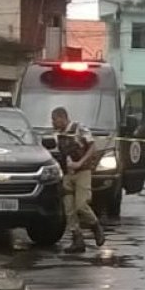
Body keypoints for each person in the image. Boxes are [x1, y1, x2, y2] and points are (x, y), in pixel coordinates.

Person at [52, 107, 105, 253]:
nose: (53, 123)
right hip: (68, 175)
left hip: (82, 172)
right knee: (69, 209)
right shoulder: (59, 135)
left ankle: (96, 226)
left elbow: (93, 146)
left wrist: (80, 163)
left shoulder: (79, 129)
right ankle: (77, 239)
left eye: (54, 119)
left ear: (62, 118)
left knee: (81, 205)